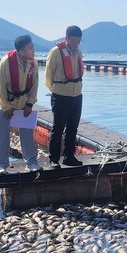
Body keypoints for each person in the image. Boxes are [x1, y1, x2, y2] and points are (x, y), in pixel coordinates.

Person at [0, 35, 41, 175]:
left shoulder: (34, 63)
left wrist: (30, 103)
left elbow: (35, 84)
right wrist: (6, 107)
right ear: (21, 51)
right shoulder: (6, 62)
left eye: (33, 46)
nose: (33, 50)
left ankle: (31, 162)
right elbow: (0, 86)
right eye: (30, 48)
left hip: (24, 102)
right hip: (7, 102)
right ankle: (1, 164)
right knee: (2, 134)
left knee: (27, 132)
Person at [45, 26, 84, 168]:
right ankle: (53, 159)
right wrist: (55, 90)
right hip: (61, 95)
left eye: (79, 41)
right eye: (73, 40)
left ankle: (69, 156)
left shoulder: (78, 52)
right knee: (58, 128)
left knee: (73, 128)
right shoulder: (55, 52)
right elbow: (48, 75)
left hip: (77, 95)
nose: (76, 43)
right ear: (66, 38)